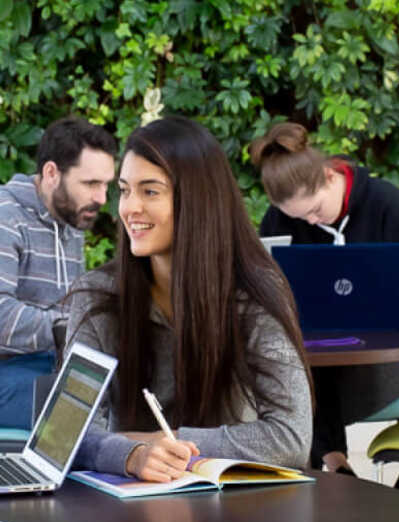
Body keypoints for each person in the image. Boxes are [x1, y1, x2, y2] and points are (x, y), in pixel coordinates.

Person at [66, 116, 313, 482]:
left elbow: (291, 438)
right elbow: (64, 434)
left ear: (197, 200)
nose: (130, 208)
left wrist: (170, 443)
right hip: (124, 505)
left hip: (230, 504)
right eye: (125, 190)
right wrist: (132, 455)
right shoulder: (99, 295)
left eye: (150, 191)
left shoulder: (255, 293)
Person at [248, 122, 399, 474]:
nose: (311, 222)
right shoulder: (278, 222)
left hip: (384, 364)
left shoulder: (386, 204)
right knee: (286, 377)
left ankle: (331, 466)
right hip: (314, 367)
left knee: (297, 389)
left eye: (315, 210)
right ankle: (333, 468)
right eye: (299, 218)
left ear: (330, 176)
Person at [0, 117, 119, 429]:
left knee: (135, 385)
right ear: (52, 173)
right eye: (91, 184)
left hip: (40, 363)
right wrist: (71, 326)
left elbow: (69, 309)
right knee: (92, 410)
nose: (102, 198)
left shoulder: (69, 223)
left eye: (106, 185)